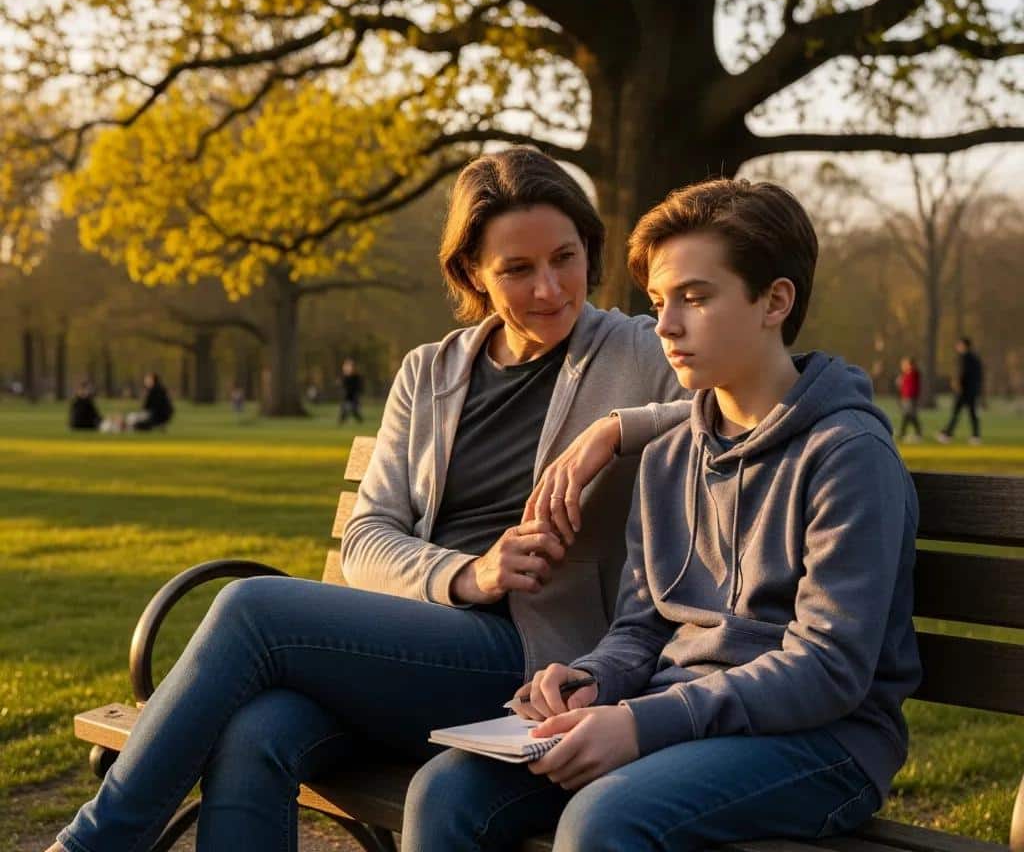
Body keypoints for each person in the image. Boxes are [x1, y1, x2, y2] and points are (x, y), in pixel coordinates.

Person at [45, 147, 682, 852]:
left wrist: (615, 429)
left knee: (252, 607)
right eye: (517, 269)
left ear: (589, 247)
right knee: (255, 733)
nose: (550, 288)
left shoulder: (641, 352)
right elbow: (367, 535)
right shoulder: (430, 372)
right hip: (410, 651)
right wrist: (469, 574)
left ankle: (93, 845)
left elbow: (755, 401)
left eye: (565, 258)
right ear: (472, 272)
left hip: (535, 664)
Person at [404, 178, 921, 852]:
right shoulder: (669, 456)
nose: (666, 326)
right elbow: (641, 628)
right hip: (674, 717)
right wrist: (591, 680)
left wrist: (642, 724)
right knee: (446, 791)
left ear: (775, 301)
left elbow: (829, 667)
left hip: (824, 743)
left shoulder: (848, 455)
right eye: (658, 302)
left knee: (603, 820)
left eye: (695, 298)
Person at [937, 337, 983, 444]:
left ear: (964, 346)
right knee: (971, 413)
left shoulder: (964, 358)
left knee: (957, 412)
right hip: (972, 390)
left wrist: (957, 383)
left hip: (964, 390)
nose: (957, 347)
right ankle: (975, 436)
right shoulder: (975, 358)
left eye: (959, 345)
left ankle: (947, 434)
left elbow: (963, 373)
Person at [897, 356, 922, 442]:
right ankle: (905, 433)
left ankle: (905, 433)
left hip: (911, 397)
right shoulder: (906, 374)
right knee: (909, 415)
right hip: (905, 397)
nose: (903, 366)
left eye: (905, 364)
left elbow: (912, 387)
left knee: (909, 415)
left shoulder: (914, 373)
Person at [337, 357, 364, 423]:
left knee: (353, 409)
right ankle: (342, 420)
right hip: (346, 396)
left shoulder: (356, 377)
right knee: (344, 409)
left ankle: (359, 420)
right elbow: (342, 386)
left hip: (354, 396)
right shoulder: (344, 377)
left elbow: (359, 387)